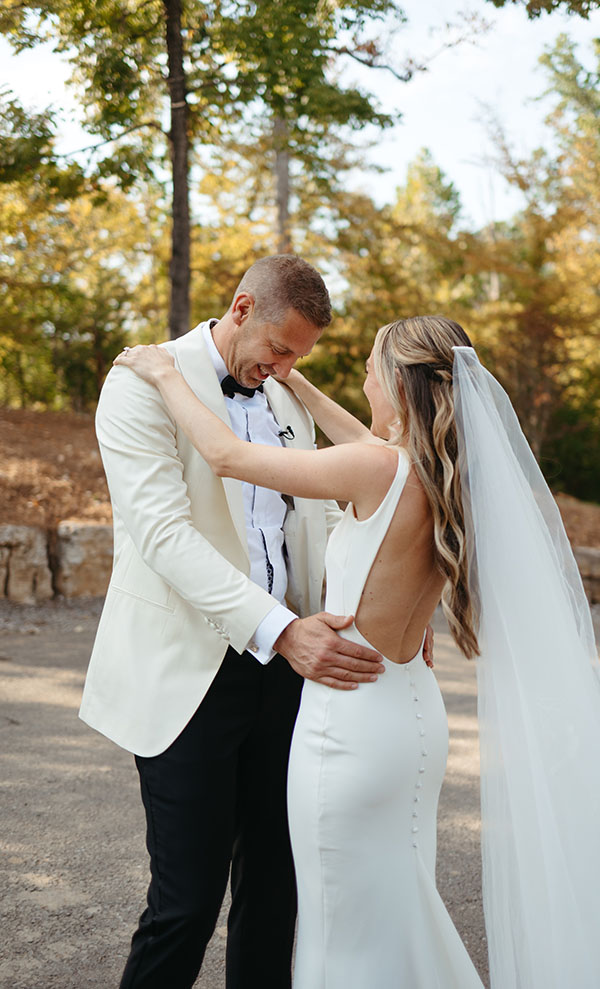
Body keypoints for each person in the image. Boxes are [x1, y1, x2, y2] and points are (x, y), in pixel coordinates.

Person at [115, 314, 600, 988]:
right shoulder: (441, 473)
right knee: (398, 911)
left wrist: (165, 374)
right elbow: (366, 442)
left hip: (348, 723)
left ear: (397, 381)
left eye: (371, 369)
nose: (364, 382)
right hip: (412, 719)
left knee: (339, 929)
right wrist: (302, 386)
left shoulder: (374, 467)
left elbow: (226, 457)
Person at [79, 255, 388, 989]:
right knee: (185, 901)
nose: (282, 366)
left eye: (298, 356)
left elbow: (312, 519)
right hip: (187, 672)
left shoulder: (282, 392)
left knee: (276, 890)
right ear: (242, 308)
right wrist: (280, 628)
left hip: (285, 677)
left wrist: (363, 612)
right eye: (279, 348)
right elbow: (162, 535)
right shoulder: (140, 382)